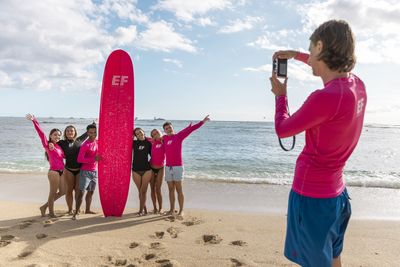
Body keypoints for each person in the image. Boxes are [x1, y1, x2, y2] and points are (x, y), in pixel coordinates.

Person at [269, 20, 367, 267]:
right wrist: (297, 55)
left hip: (312, 196)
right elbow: (328, 66)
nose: (309, 56)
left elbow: (283, 129)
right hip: (337, 195)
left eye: (311, 50)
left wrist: (281, 97)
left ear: (321, 46)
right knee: (333, 257)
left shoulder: (325, 98)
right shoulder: (357, 85)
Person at [163, 115, 210, 218]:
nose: (168, 129)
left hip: (178, 167)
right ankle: (171, 210)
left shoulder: (178, 136)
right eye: (166, 128)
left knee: (179, 189)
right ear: (164, 131)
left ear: (172, 128)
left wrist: (202, 122)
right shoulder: (164, 138)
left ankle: (181, 211)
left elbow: (191, 129)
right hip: (168, 167)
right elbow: (153, 140)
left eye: (170, 127)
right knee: (170, 189)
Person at [26, 114, 66, 218]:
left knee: (63, 191)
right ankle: (51, 213)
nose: (57, 136)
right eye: (55, 135)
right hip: (54, 172)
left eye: (59, 135)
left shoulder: (59, 146)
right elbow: (41, 133)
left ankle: (44, 207)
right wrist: (34, 120)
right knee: (52, 193)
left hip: (62, 171)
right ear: (50, 136)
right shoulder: (48, 145)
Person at [51, 125, 90, 215]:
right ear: (65, 133)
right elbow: (52, 141)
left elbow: (88, 133)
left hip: (79, 170)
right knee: (69, 190)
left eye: (71, 131)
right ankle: (69, 209)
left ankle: (77, 209)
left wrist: (94, 123)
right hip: (68, 170)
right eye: (68, 131)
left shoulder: (79, 140)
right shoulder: (61, 142)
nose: (70, 132)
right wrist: (50, 144)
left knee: (78, 190)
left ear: (75, 132)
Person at [72, 124, 99, 220]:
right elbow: (79, 159)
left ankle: (88, 209)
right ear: (87, 133)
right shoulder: (85, 145)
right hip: (85, 172)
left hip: (95, 172)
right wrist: (93, 159)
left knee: (91, 192)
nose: (93, 134)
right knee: (81, 193)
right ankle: (76, 213)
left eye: (94, 132)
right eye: (90, 132)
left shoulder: (97, 142)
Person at [131, 128, 152, 216]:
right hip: (135, 170)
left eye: (140, 132)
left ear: (143, 132)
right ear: (135, 136)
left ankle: (140, 211)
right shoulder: (134, 143)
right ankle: (145, 209)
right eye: (137, 134)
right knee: (140, 191)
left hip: (147, 170)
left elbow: (154, 155)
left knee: (143, 191)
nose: (139, 134)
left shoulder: (149, 143)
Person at [148, 129, 165, 214]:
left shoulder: (164, 141)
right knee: (152, 189)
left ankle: (161, 208)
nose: (155, 135)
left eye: (157, 133)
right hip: (151, 167)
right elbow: (141, 136)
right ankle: (155, 207)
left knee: (158, 189)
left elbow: (173, 138)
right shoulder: (151, 141)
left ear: (160, 133)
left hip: (161, 168)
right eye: (153, 134)